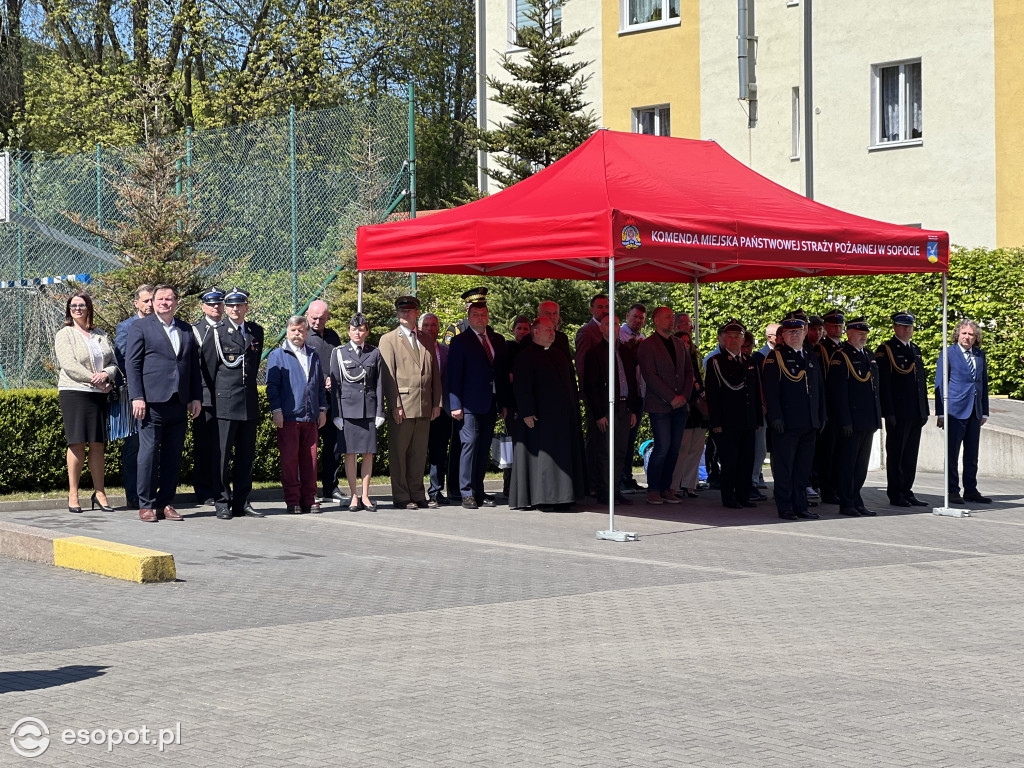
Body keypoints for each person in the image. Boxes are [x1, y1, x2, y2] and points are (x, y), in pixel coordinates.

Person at [125, 284, 202, 523]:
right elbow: (132, 363)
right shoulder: (141, 326)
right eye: (160, 299)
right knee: (148, 454)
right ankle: (145, 504)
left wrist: (195, 396)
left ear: (176, 302)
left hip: (179, 401)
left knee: (173, 455)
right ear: (153, 302)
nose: (164, 303)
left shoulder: (185, 329)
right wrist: (137, 396)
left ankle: (165, 503)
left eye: (169, 299)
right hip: (151, 402)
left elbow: (193, 367)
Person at [510, 317, 586, 510]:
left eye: (553, 330)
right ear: (536, 332)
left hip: (561, 419)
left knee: (562, 457)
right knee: (542, 460)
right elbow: (522, 386)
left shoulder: (560, 355)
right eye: (548, 330)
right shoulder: (525, 356)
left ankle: (563, 497)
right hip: (538, 418)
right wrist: (527, 412)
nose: (553, 333)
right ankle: (542, 498)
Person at [55, 292, 118, 514]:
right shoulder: (65, 334)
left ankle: (99, 492)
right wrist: (96, 379)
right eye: (73, 306)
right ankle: (73, 493)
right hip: (75, 392)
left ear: (89, 308)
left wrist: (107, 376)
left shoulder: (100, 334)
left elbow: (113, 362)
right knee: (77, 443)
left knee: (98, 443)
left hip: (98, 394)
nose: (78, 309)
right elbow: (69, 364)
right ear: (69, 310)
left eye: (82, 305)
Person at [378, 296, 442, 510]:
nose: (405, 315)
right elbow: (388, 376)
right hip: (403, 406)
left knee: (418, 453)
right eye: (402, 312)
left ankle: (418, 493)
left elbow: (435, 373)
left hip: (424, 405)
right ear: (398, 314)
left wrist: (436, 402)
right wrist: (395, 405)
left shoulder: (426, 339)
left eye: (410, 311)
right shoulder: (389, 340)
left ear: (417, 313)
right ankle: (402, 496)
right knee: (399, 453)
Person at [449, 296, 511, 509]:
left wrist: (503, 402)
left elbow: (501, 374)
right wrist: (455, 404)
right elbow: (454, 376)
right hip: (468, 404)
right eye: (475, 315)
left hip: (490, 402)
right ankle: (466, 492)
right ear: (469, 317)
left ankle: (479, 490)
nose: (480, 318)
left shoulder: (497, 340)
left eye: (483, 314)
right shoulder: (460, 341)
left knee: (483, 448)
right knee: (469, 446)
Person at [762, 317, 826, 521]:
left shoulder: (810, 355)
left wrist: (821, 414)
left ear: (804, 333)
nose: (795, 335)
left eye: (798, 331)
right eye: (790, 332)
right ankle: (785, 506)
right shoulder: (776, 357)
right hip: (787, 423)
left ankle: (800, 505)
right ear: (783, 336)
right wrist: (776, 417)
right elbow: (771, 392)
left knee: (802, 469)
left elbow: (819, 388)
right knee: (784, 468)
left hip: (809, 421)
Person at [209, 288, 264, 520]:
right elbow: (210, 369)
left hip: (248, 403)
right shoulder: (217, 333)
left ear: (246, 307)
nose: (234, 309)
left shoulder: (255, 332)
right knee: (222, 456)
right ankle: (222, 502)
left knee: (246, 456)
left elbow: (253, 365)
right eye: (230, 305)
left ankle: (242, 502)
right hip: (226, 402)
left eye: (239, 305)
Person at [267, 315, 327, 514]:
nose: (297, 334)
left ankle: (309, 499)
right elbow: (272, 386)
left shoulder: (313, 354)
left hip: (310, 417)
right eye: (293, 330)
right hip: (289, 417)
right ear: (287, 331)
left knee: (310, 461)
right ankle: (293, 500)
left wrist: (322, 409)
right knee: (290, 460)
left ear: (306, 332)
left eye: (301, 330)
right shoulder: (278, 355)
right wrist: (277, 411)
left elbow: (319, 385)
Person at [637, 306, 693, 505]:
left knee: (674, 449)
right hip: (660, 406)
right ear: (656, 320)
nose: (671, 321)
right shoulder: (647, 345)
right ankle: (653, 489)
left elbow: (689, 371)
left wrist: (684, 396)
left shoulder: (679, 343)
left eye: (672, 317)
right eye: (667, 317)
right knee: (662, 447)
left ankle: (666, 488)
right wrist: (671, 397)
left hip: (680, 406)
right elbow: (650, 376)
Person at [704, 319, 762, 509]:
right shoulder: (716, 362)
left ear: (743, 338)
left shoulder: (749, 361)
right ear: (723, 339)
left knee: (747, 460)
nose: (733, 340)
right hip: (728, 420)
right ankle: (729, 497)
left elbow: (755, 393)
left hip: (748, 420)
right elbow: (712, 394)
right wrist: (716, 422)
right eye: (729, 337)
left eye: (737, 337)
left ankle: (743, 496)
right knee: (730, 461)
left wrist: (757, 419)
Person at [827, 316, 881, 516]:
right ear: (849, 333)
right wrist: (845, 420)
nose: (863, 337)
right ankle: (847, 502)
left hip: (867, 420)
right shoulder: (841, 357)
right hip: (851, 421)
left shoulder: (868, 354)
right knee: (847, 464)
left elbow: (874, 389)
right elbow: (838, 393)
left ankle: (856, 498)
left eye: (865, 333)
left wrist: (876, 417)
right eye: (859, 333)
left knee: (860, 466)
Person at [875, 311, 930, 507]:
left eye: (909, 326)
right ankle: (896, 493)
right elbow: (885, 385)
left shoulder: (915, 349)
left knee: (910, 455)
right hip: (898, 412)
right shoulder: (886, 350)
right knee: (897, 454)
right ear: (895, 327)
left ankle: (907, 490)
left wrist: (924, 410)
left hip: (915, 411)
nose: (907, 329)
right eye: (902, 326)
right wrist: (888, 411)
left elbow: (920, 383)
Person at [583, 314, 639, 506]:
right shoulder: (595, 353)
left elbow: (632, 382)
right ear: (601, 328)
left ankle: (615, 490)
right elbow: (591, 386)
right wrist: (599, 414)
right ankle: (603, 491)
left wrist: (632, 409)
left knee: (621, 450)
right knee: (605, 451)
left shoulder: (626, 351)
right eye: (608, 324)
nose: (613, 327)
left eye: (615, 324)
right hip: (606, 408)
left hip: (624, 406)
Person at [331, 313, 385, 511]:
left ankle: (366, 496)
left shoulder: (375, 353)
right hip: (348, 411)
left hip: (368, 409)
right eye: (354, 329)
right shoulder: (339, 353)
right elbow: (336, 386)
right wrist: (336, 414)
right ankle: (354, 496)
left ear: (367, 332)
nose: (357, 332)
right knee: (350, 454)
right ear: (349, 331)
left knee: (368, 454)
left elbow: (379, 383)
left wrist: (380, 411)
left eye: (361, 329)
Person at [935, 319, 991, 504]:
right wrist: (941, 412)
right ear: (958, 334)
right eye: (964, 333)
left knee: (972, 454)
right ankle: (952, 490)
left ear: (976, 338)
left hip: (975, 411)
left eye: (971, 334)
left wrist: (984, 411)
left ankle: (971, 489)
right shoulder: (948, 353)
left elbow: (983, 383)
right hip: (955, 411)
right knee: (952, 453)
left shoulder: (980, 355)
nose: (967, 337)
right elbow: (940, 384)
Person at [114, 284, 154, 509]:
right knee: (135, 444)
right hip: (135, 394)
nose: (149, 305)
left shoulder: (161, 325)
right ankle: (133, 495)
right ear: (136, 303)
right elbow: (123, 360)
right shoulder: (126, 327)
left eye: (152, 300)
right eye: (145, 301)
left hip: (159, 394)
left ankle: (151, 493)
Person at [306, 299, 343, 502]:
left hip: (332, 400)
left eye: (321, 318)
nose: (317, 321)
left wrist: (334, 379)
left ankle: (331, 487)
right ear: (308, 316)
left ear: (328, 317)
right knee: (310, 446)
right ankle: (309, 488)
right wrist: (321, 381)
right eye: (314, 317)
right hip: (311, 400)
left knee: (333, 446)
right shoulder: (304, 337)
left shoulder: (333, 337)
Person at [191, 287, 225, 505]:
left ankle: (221, 488)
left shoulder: (229, 327)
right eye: (211, 304)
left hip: (226, 397)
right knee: (204, 446)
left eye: (219, 303)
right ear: (203, 306)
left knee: (222, 446)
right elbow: (193, 367)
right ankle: (204, 491)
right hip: (205, 397)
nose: (216, 307)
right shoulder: (196, 330)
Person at [420, 312, 453, 506]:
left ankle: (436, 490)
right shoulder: (414, 349)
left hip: (442, 410)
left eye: (434, 325)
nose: (430, 329)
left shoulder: (446, 351)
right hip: (419, 408)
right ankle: (414, 490)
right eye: (426, 326)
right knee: (416, 452)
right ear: (419, 328)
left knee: (439, 452)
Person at [814, 309, 846, 505]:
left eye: (840, 325)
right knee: (828, 451)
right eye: (833, 326)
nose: (838, 329)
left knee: (841, 451)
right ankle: (827, 489)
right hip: (830, 407)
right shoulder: (820, 349)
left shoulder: (843, 347)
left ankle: (838, 486)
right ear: (827, 327)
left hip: (842, 408)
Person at [670, 330, 707, 498]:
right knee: (682, 448)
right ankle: (674, 485)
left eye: (688, 341)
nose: (686, 344)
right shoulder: (673, 361)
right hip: (683, 407)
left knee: (696, 447)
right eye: (682, 341)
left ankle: (690, 484)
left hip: (698, 408)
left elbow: (701, 380)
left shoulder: (694, 358)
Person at [502, 314, 533, 498]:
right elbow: (507, 378)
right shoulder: (508, 348)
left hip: (529, 406)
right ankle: (509, 485)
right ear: (513, 330)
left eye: (525, 329)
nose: (522, 332)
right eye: (519, 328)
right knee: (512, 447)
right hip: (513, 405)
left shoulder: (532, 349)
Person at [619, 303, 647, 492]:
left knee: (632, 439)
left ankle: (627, 476)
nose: (638, 321)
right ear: (627, 315)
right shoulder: (619, 336)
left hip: (639, 393)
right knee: (622, 438)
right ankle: (619, 478)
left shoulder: (643, 339)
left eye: (641, 318)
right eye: (635, 316)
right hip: (624, 394)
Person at [574, 294, 609, 383]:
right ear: (592, 310)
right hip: (595, 387)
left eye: (607, 307)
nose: (605, 310)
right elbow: (581, 363)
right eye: (600, 307)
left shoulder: (614, 329)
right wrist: (584, 392)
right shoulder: (585, 332)